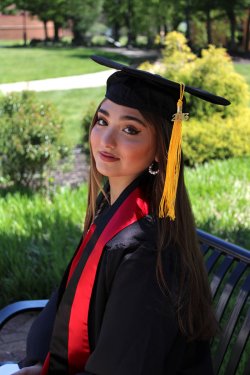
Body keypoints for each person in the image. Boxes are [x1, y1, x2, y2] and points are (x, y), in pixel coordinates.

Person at [12, 56, 230, 375]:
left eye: (130, 129)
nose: (106, 140)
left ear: (160, 150)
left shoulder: (147, 250)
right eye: (102, 121)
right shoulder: (112, 210)